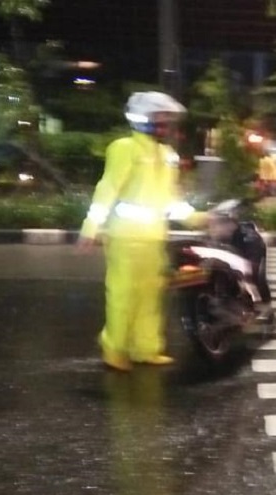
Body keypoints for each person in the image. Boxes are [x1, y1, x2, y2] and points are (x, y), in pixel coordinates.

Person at [78, 91, 205, 371]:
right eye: (161, 117)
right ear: (142, 117)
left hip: (153, 238)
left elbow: (171, 199)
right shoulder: (125, 148)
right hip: (125, 238)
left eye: (168, 119)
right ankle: (114, 349)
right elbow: (107, 189)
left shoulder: (168, 156)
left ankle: (146, 349)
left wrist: (196, 218)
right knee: (123, 296)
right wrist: (91, 227)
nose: (166, 124)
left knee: (151, 297)